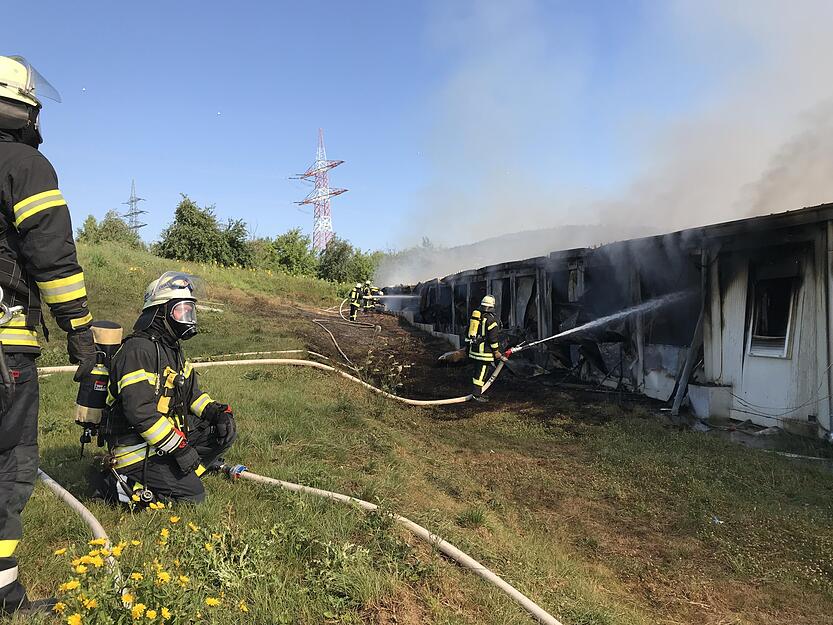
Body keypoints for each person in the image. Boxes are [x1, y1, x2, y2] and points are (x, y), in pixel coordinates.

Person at [0, 56, 97, 615]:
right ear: (24, 107)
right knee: (8, 464)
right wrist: (81, 336)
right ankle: (5, 596)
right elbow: (53, 261)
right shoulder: (24, 165)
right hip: (4, 349)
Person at [99, 272, 237, 504]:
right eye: (181, 310)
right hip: (136, 447)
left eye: (190, 311)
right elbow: (140, 413)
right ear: (160, 312)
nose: (188, 318)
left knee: (222, 431)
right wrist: (180, 449)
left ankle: (187, 470)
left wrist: (216, 412)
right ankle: (115, 484)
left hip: (163, 440)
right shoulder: (138, 351)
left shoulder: (172, 350)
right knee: (193, 496)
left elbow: (192, 395)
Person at [466, 295, 505, 402]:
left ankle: (476, 392)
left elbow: (467, 333)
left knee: (478, 372)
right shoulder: (491, 320)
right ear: (492, 307)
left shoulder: (475, 318)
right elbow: (493, 339)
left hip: (474, 350)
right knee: (481, 373)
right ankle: (476, 395)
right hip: (484, 353)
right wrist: (496, 351)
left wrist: (467, 348)